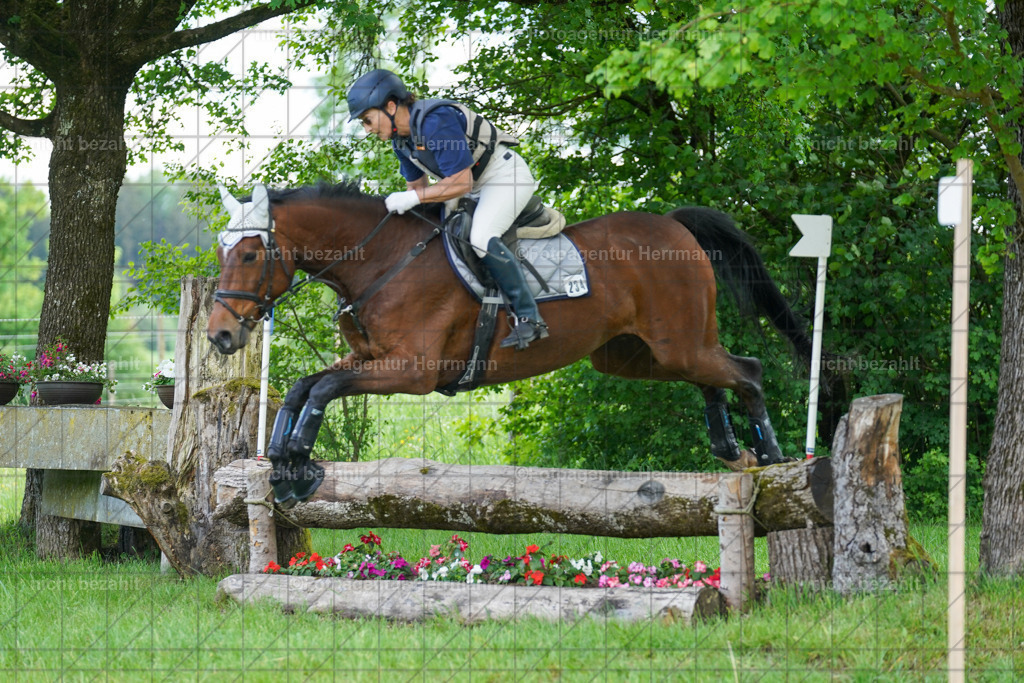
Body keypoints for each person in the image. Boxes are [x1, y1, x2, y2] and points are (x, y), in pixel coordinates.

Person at [346, 68, 548, 350]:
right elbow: (416, 189)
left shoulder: (434, 121)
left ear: (390, 106)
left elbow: (461, 182)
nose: (366, 129)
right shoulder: (401, 141)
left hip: (503, 177)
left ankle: (530, 318)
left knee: (480, 238)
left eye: (367, 120)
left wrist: (414, 199)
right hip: (470, 185)